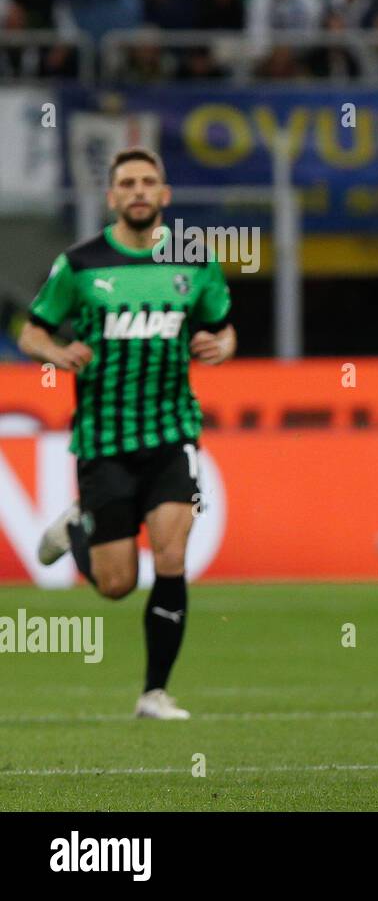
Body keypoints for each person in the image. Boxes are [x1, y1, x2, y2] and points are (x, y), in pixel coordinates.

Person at [19, 147, 236, 720]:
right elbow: (32, 332)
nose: (138, 191)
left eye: (148, 182)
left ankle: (154, 693)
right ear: (112, 197)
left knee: (171, 553)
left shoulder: (195, 260)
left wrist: (220, 347)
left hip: (172, 431)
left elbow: (223, 328)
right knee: (116, 584)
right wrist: (59, 351)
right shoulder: (81, 264)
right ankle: (78, 526)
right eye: (127, 183)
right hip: (103, 438)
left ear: (164, 195)